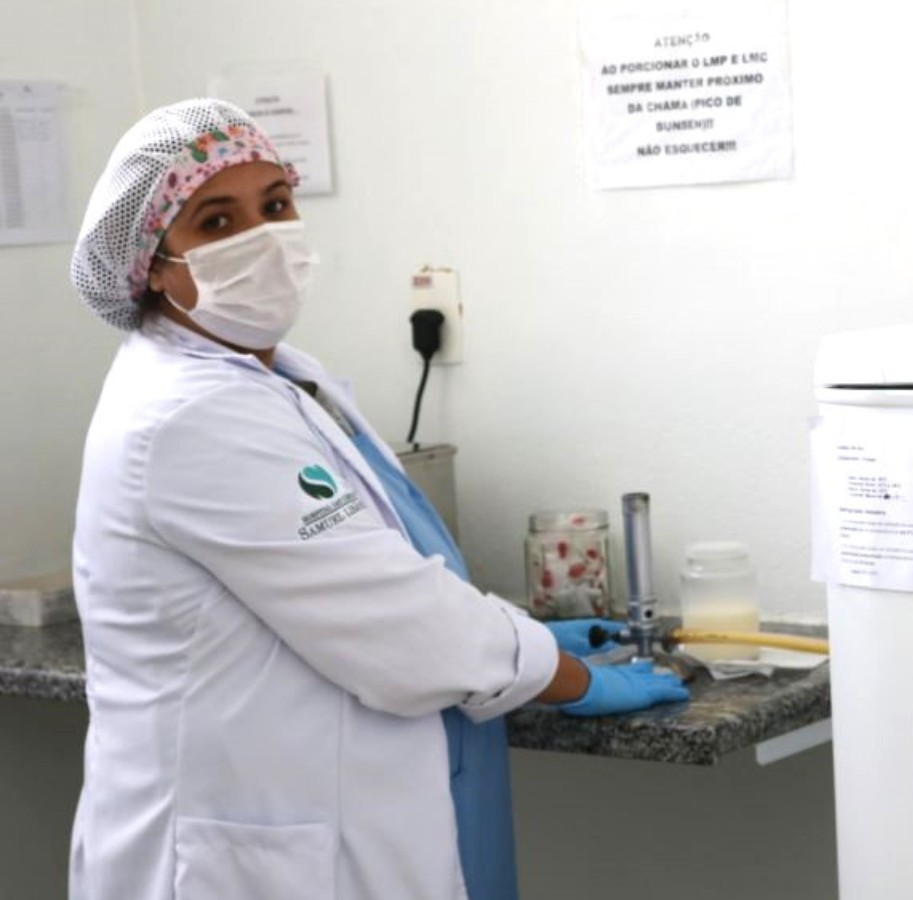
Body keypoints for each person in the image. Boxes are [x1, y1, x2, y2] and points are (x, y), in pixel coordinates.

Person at [66, 98, 688, 900]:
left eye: (276, 206)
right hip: (242, 852)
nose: (263, 238)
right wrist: (569, 673)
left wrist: (519, 630)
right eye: (216, 223)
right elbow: (401, 630)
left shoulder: (275, 373)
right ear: (154, 263)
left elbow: (367, 564)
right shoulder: (190, 414)